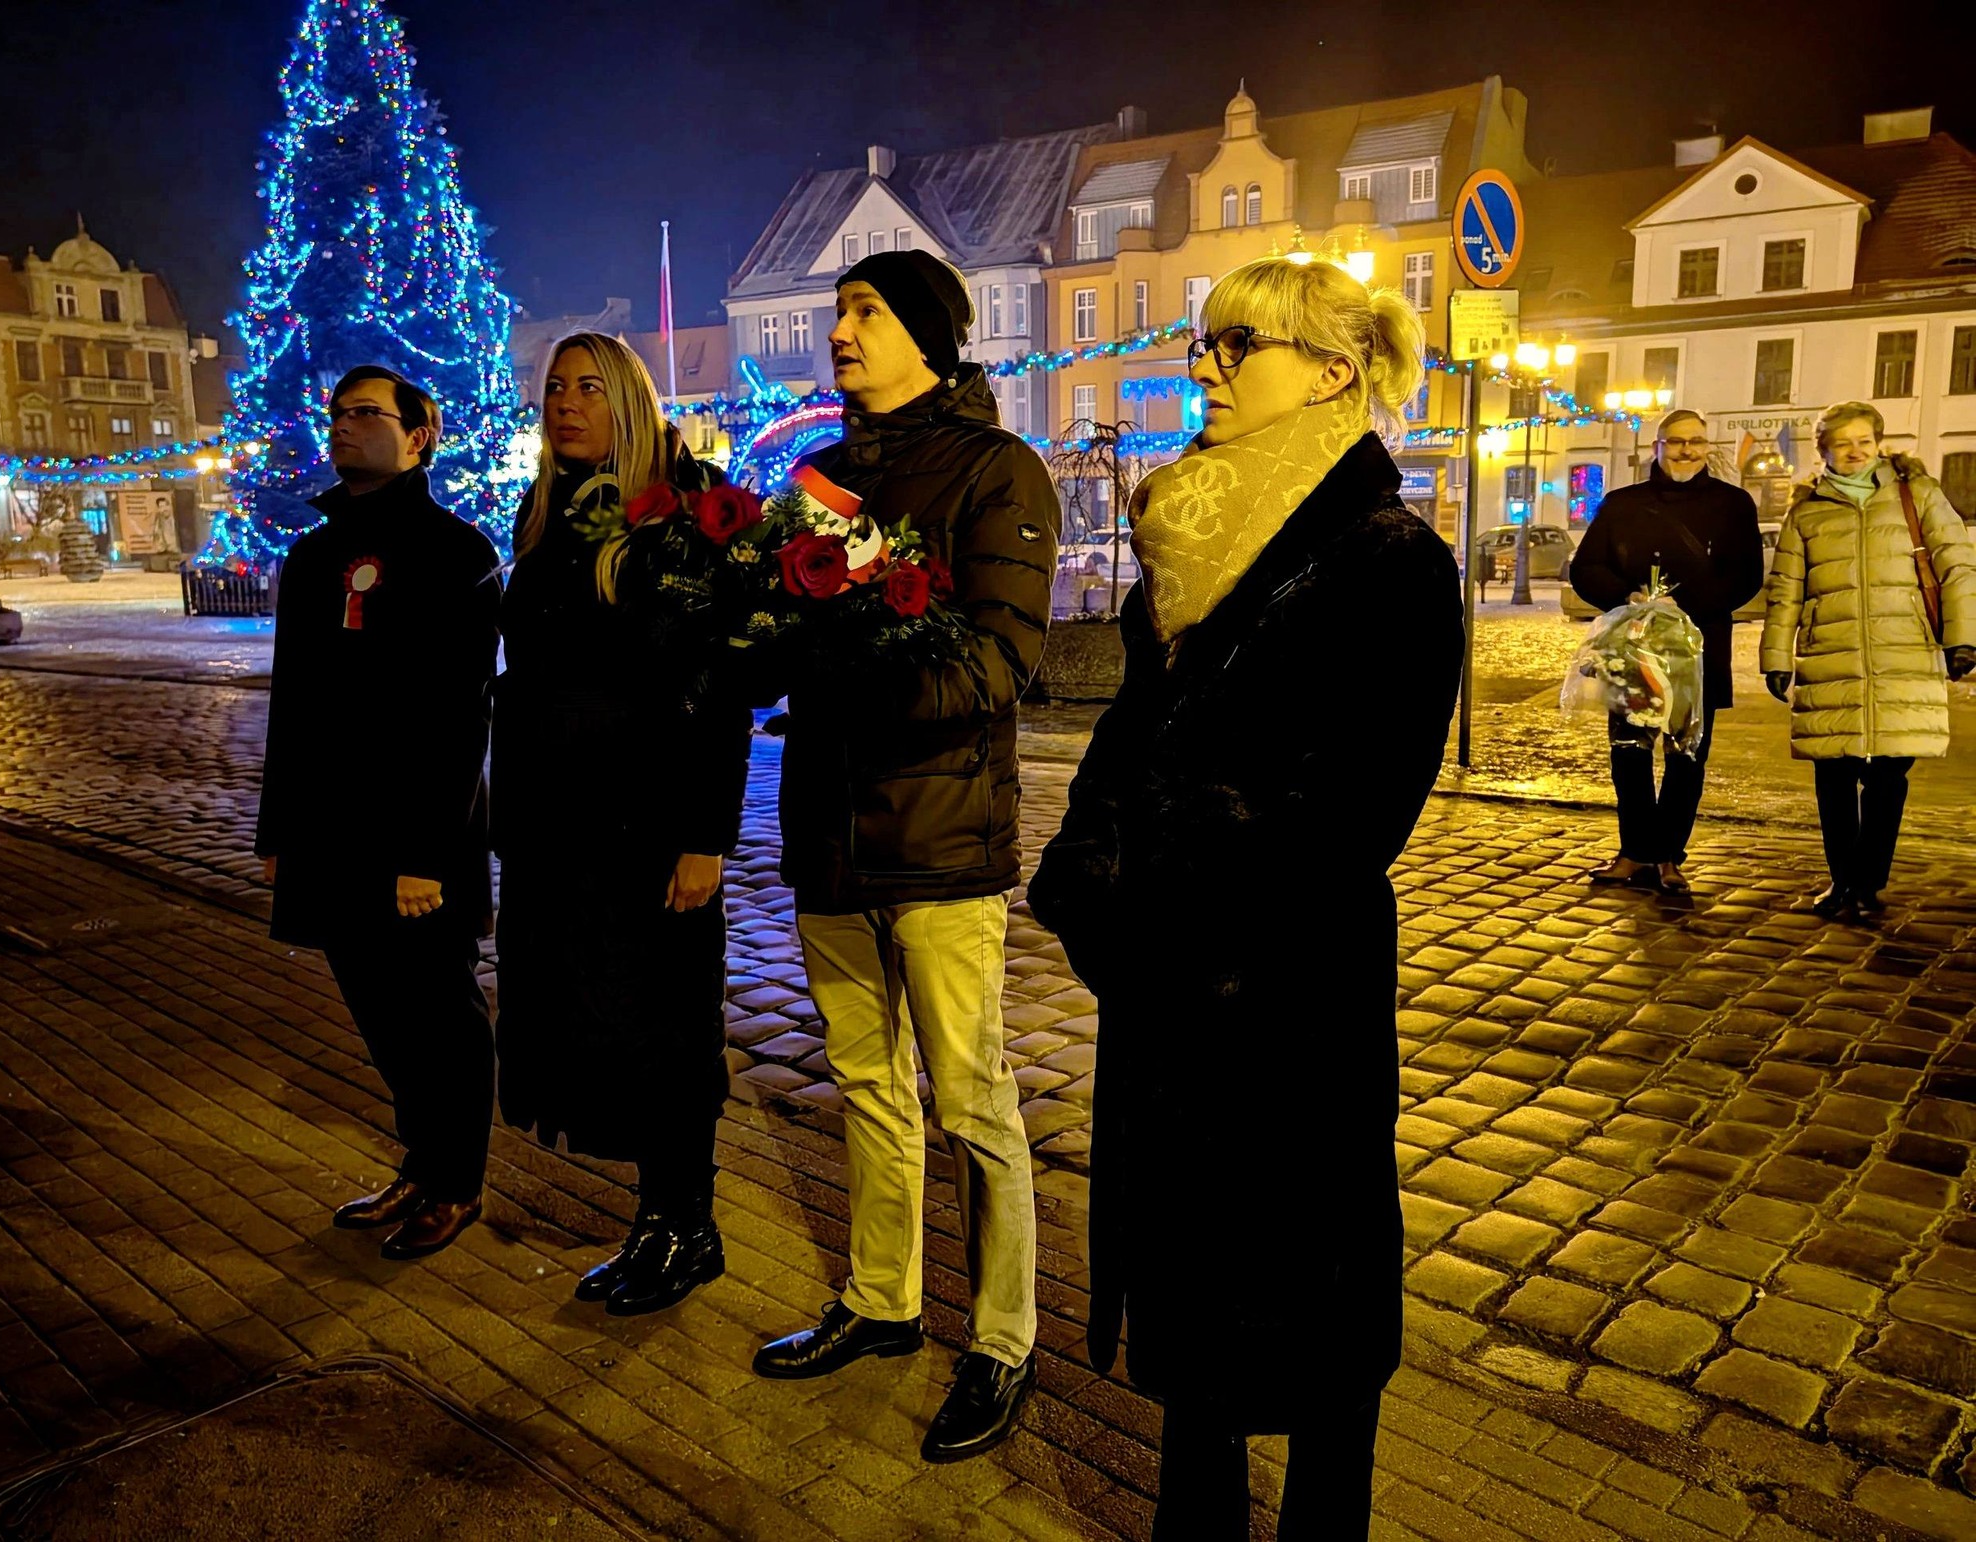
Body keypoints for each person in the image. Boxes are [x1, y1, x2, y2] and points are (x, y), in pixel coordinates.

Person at [1027, 258, 1461, 1539]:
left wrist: (1168, 891)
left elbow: (1353, 814)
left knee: (1312, 1300)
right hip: (1171, 987)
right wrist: (1093, 883)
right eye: (1202, 345)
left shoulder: (1387, 556)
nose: (1201, 367)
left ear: (1331, 373)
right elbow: (1125, 741)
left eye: (1234, 345)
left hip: (1287, 995)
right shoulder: (1195, 531)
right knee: (1193, 1295)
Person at [748, 249, 1058, 1466]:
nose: (840, 332)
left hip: (937, 841)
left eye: (866, 313)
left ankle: (1001, 1336)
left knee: (973, 1098)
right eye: (836, 313)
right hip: (827, 833)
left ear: (928, 332)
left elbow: (997, 663)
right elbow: (780, 638)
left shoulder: (996, 469)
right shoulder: (815, 476)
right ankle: (882, 1303)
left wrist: (851, 648)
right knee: (866, 1084)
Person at [493, 333, 751, 1315]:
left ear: (631, 401)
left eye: (589, 388)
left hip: (646, 822)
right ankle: (658, 1219)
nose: (565, 404)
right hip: (562, 824)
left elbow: (713, 681)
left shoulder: (679, 512)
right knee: (596, 1021)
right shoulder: (548, 510)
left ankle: (689, 1224)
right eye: (554, 387)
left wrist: (702, 834)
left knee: (667, 1031)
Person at [256, 365, 503, 1260]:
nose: (346, 426)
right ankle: (420, 1159)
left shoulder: (456, 550)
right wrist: (278, 830)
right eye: (339, 413)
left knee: (438, 1010)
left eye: (369, 413)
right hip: (329, 830)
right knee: (376, 1008)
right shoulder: (315, 552)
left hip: (413, 837)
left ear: (419, 435)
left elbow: (457, 711)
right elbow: (294, 699)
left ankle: (458, 1182)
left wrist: (427, 855)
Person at [1761, 401, 1976, 918]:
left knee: (1887, 777)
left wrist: (1963, 638)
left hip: (1905, 650)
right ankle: (1842, 883)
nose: (1854, 451)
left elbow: (1957, 566)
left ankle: (1867, 882)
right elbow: (1786, 588)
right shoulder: (1807, 509)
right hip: (1829, 653)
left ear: (1878, 441)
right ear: (1824, 451)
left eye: (1863, 440)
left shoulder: (1916, 494)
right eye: (1842, 443)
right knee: (1832, 776)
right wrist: (1776, 656)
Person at [1567, 407, 1763, 894]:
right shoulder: (1621, 503)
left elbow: (1747, 578)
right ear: (1658, 447)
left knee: (1687, 755)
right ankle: (1635, 850)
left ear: (1707, 446)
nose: (1686, 451)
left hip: (1698, 652)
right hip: (1633, 653)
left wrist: (1684, 606)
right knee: (1629, 755)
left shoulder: (1733, 505)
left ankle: (1670, 856)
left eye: (1696, 441)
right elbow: (1586, 568)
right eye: (1676, 442)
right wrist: (1630, 597)